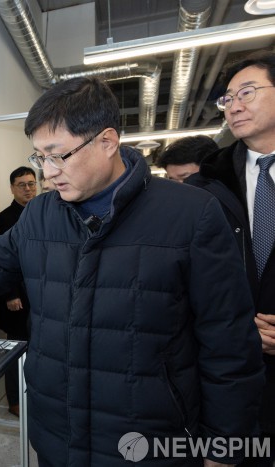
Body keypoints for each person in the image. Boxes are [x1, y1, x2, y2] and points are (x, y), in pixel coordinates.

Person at [0, 76, 265, 466]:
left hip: (148, 439)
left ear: (107, 142)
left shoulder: (191, 213)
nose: (48, 172)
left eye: (58, 155)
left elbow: (228, 338)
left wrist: (224, 445)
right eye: (39, 157)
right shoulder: (40, 215)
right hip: (57, 434)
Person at [185, 50, 275, 467]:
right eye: (227, 99)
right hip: (229, 376)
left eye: (247, 93)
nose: (233, 106)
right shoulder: (205, 188)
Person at [0, 166, 36, 417]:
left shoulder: (41, 213)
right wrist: (10, 294)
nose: (28, 189)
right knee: (16, 351)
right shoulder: (4, 219)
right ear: (12, 188)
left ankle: (34, 398)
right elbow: (1, 261)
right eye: (22, 185)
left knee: (36, 351)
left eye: (31, 183)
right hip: (16, 298)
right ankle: (15, 401)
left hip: (38, 295)